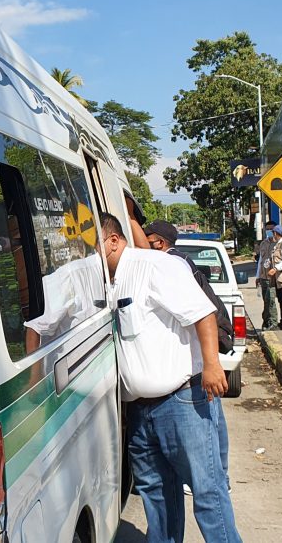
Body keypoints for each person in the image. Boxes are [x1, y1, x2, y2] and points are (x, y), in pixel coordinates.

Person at [100, 212, 241, 543]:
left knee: (208, 492)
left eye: (90, 247)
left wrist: (211, 366)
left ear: (114, 241)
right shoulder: (111, 279)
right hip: (139, 410)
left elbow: (203, 312)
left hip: (182, 402)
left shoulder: (155, 266)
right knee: (158, 497)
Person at [142, 219, 232, 496]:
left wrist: (210, 363)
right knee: (214, 422)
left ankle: (216, 480)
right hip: (205, 353)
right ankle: (220, 478)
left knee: (208, 424)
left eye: (146, 240)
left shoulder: (170, 265)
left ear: (158, 242)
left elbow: (202, 315)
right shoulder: (176, 260)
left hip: (195, 363)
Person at [254, 221, 279, 331]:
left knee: (271, 300)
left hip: (273, 277)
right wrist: (257, 276)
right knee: (266, 300)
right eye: (267, 229)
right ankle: (266, 322)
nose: (269, 232)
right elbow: (260, 261)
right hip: (263, 276)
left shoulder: (279, 244)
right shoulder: (263, 243)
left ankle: (273, 322)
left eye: (271, 229)